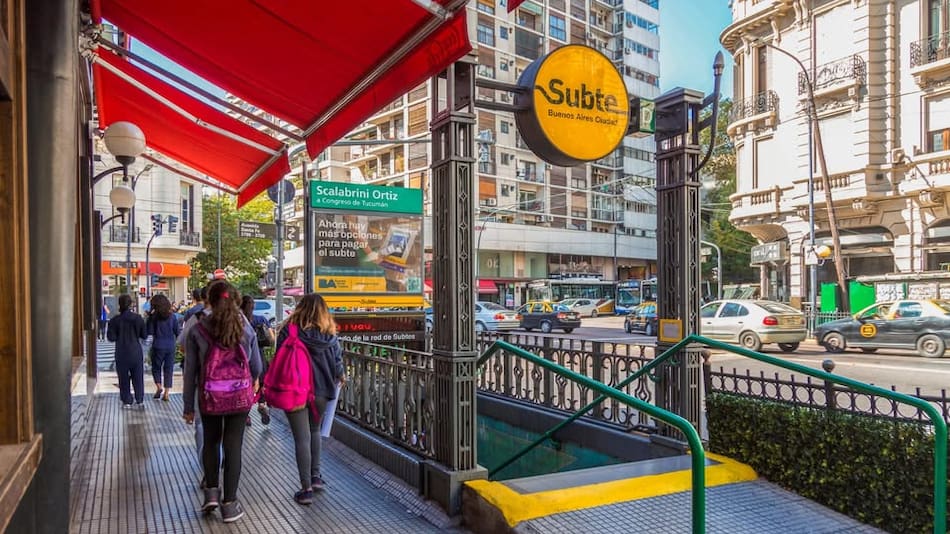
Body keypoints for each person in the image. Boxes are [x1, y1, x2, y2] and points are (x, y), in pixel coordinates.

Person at [183, 282, 262, 523]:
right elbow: (256, 366)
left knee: (211, 441)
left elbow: (190, 372)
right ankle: (230, 504)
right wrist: (252, 381)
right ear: (236, 300)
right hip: (239, 397)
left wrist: (188, 406)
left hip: (209, 397)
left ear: (209, 300)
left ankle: (211, 494)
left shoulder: (198, 330)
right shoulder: (245, 328)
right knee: (233, 446)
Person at [274, 293, 345, 505]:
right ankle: (315, 477)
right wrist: (341, 376)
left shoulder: (289, 330)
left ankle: (305, 490)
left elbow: (278, 357)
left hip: (294, 390)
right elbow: (338, 363)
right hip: (321, 391)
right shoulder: (329, 334)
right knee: (314, 431)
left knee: (301, 438)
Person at [107, 294, 147, 408]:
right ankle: (139, 399)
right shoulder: (138, 318)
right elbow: (144, 335)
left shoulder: (115, 320)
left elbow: (111, 337)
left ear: (119, 304)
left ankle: (127, 400)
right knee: (138, 376)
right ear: (131, 304)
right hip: (136, 351)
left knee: (123, 377)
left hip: (121, 352)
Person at [241, 295, 273, 425]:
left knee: (245, 385)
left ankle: (246, 413)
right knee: (261, 381)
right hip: (259, 355)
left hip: (243, 357)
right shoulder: (261, 319)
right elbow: (271, 338)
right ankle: (262, 404)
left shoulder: (239, 322)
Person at [146, 294, 180, 401]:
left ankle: (159, 386)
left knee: (156, 367)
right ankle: (166, 392)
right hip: (170, 346)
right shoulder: (172, 316)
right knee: (168, 369)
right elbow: (177, 331)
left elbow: (149, 331)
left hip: (158, 345)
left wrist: (149, 317)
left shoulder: (154, 318)